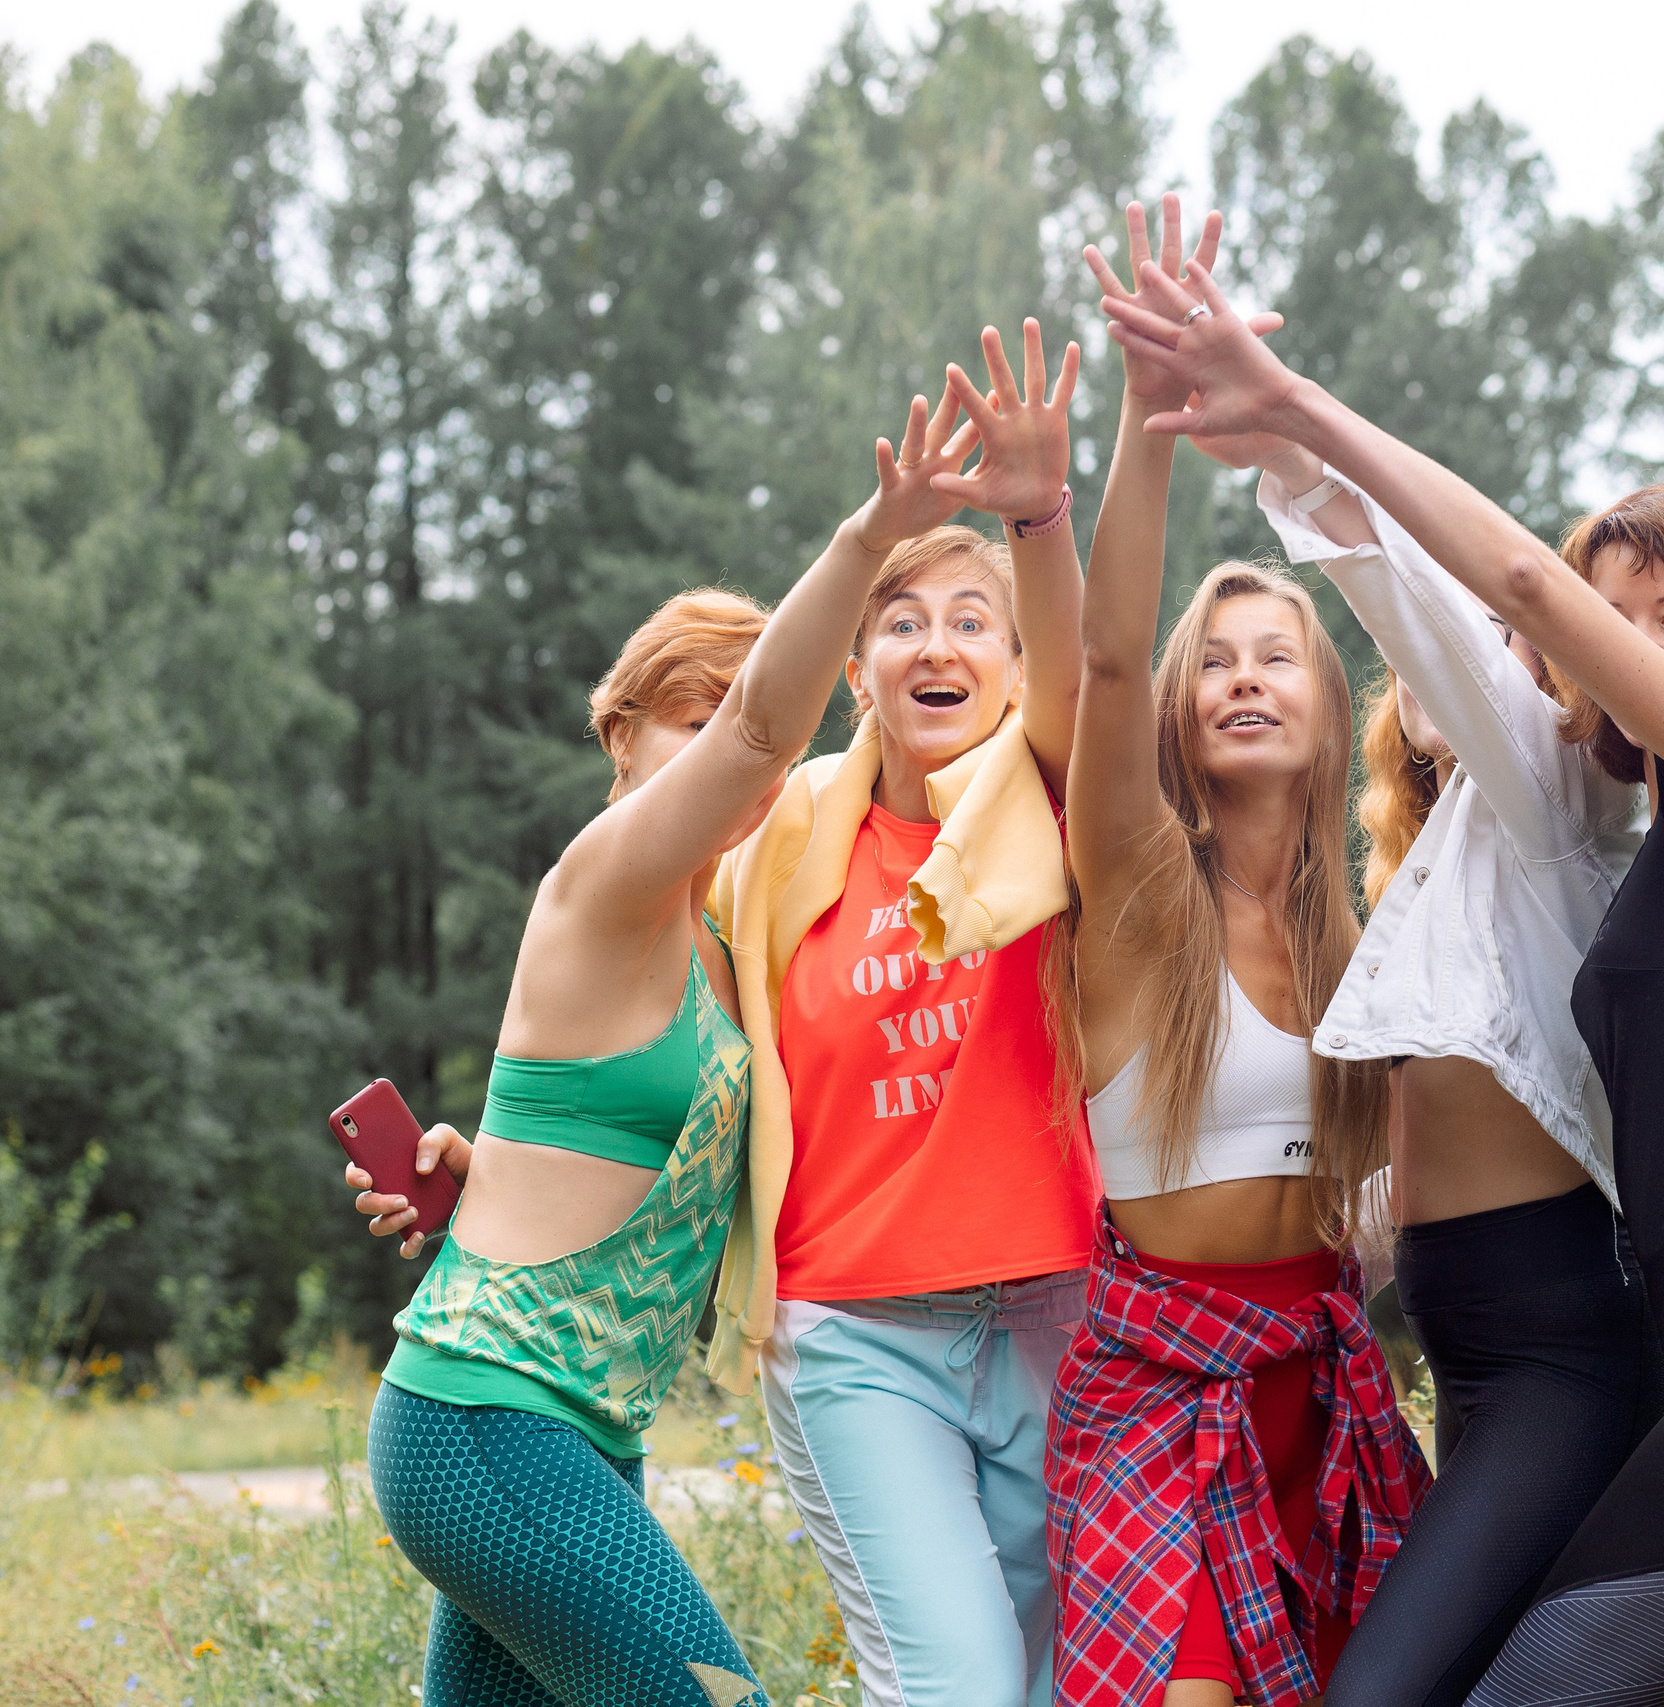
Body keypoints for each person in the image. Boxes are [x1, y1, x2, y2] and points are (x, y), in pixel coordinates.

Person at [1102, 251, 1664, 1707]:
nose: (1604, 646)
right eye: (1619, 621)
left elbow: (1501, 585)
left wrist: (1297, 413)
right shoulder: (1586, 849)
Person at [345, 383, 991, 1707]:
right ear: (621, 735)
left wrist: (477, 1169)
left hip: (580, 1435)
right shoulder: (603, 880)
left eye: (734, 716)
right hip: (488, 1416)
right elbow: (770, 729)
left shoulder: (722, 939)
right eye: (688, 723)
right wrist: (874, 538)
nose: (734, 758)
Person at [1194, 432, 1656, 1707]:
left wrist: (1303, 467)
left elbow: (1438, 615)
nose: (1475, 679)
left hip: (1555, 1345)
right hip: (1468, 1350)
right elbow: (1409, 1177)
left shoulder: (1558, 806)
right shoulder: (1440, 881)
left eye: (1513, 660)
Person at [1042, 197, 1431, 1707]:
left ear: (1336, 711)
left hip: (1323, 1382)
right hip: (1155, 1387)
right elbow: (1112, 653)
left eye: (1279, 654)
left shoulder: (1371, 938)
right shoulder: (1141, 894)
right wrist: (1147, 427)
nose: (1245, 677)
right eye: (1222, 659)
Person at [702, 321, 1095, 1707]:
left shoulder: (1050, 810)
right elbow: (663, 1044)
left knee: (1054, 1682)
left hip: (1053, 1309)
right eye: (902, 621)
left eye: (971, 623)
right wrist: (492, 1161)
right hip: (855, 1331)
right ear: (859, 663)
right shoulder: (778, 834)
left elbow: (1083, 673)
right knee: (959, 1683)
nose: (939, 645)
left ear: (1009, 662)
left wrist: (1039, 515)